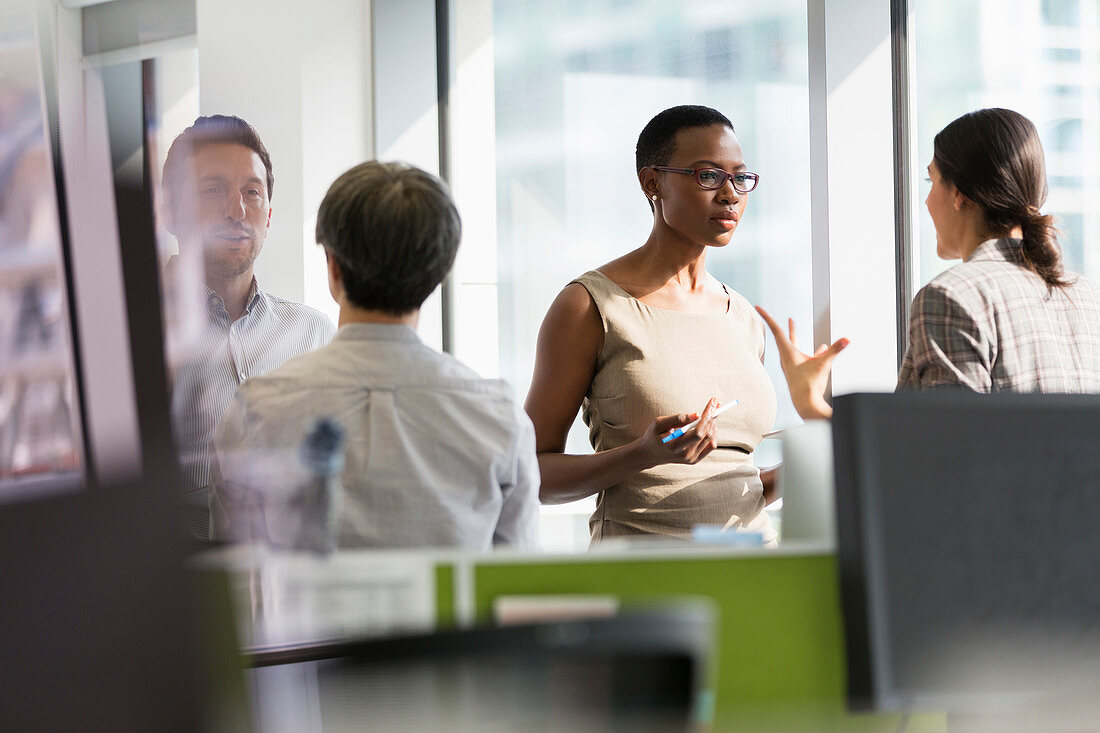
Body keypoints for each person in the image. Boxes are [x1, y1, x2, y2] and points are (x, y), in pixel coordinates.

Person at [527, 105, 833, 545]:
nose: (730, 194)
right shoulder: (590, 306)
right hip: (645, 577)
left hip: (753, 569)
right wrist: (641, 455)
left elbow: (735, 486)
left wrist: (822, 448)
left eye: (740, 178)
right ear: (652, 183)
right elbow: (530, 473)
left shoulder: (742, 316)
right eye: (708, 175)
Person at [211, 161, 540, 550]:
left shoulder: (256, 408)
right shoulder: (499, 417)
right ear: (439, 273)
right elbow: (513, 582)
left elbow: (232, 573)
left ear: (332, 266)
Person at [760, 107, 1100, 418]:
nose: (926, 200)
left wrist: (808, 401)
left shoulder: (953, 296)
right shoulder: (1086, 296)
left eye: (931, 180)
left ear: (959, 194)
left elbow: (943, 456)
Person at [162, 115, 335, 540]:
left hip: (292, 568)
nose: (236, 210)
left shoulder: (311, 334)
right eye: (212, 190)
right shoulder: (134, 332)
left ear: (269, 215)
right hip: (169, 574)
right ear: (171, 213)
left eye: (251, 193)